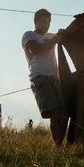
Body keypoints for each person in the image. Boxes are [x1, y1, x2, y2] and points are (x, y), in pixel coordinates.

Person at [22, 8, 68, 146]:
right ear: (36, 22)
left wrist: (63, 33)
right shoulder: (29, 35)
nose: (47, 24)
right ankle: (58, 145)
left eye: (49, 22)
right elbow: (35, 49)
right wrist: (55, 39)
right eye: (43, 21)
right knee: (55, 110)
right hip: (39, 77)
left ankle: (59, 143)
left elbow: (63, 37)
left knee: (65, 111)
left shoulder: (51, 36)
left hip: (55, 78)